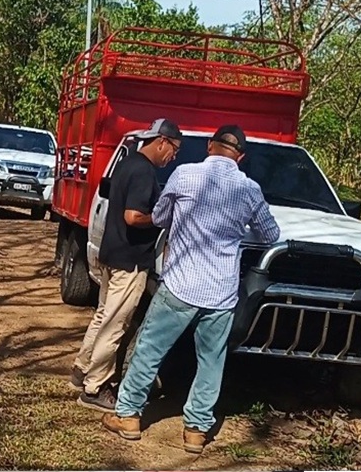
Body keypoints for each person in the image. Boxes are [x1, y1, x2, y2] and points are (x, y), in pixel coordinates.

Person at [101, 125, 280, 454]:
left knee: (150, 351)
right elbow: (270, 235)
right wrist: (237, 233)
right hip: (222, 293)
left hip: (180, 286)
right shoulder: (249, 189)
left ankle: (128, 416)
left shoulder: (184, 175)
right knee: (211, 362)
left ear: (210, 146)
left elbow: (160, 216)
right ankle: (196, 430)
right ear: (240, 157)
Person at [72, 118, 182, 413]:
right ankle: (95, 387)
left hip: (111, 254)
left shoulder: (126, 162)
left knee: (102, 316)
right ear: (161, 142)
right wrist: (161, 219)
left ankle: (82, 368)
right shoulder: (145, 173)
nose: (174, 157)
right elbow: (133, 217)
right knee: (115, 324)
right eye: (174, 150)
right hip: (130, 262)